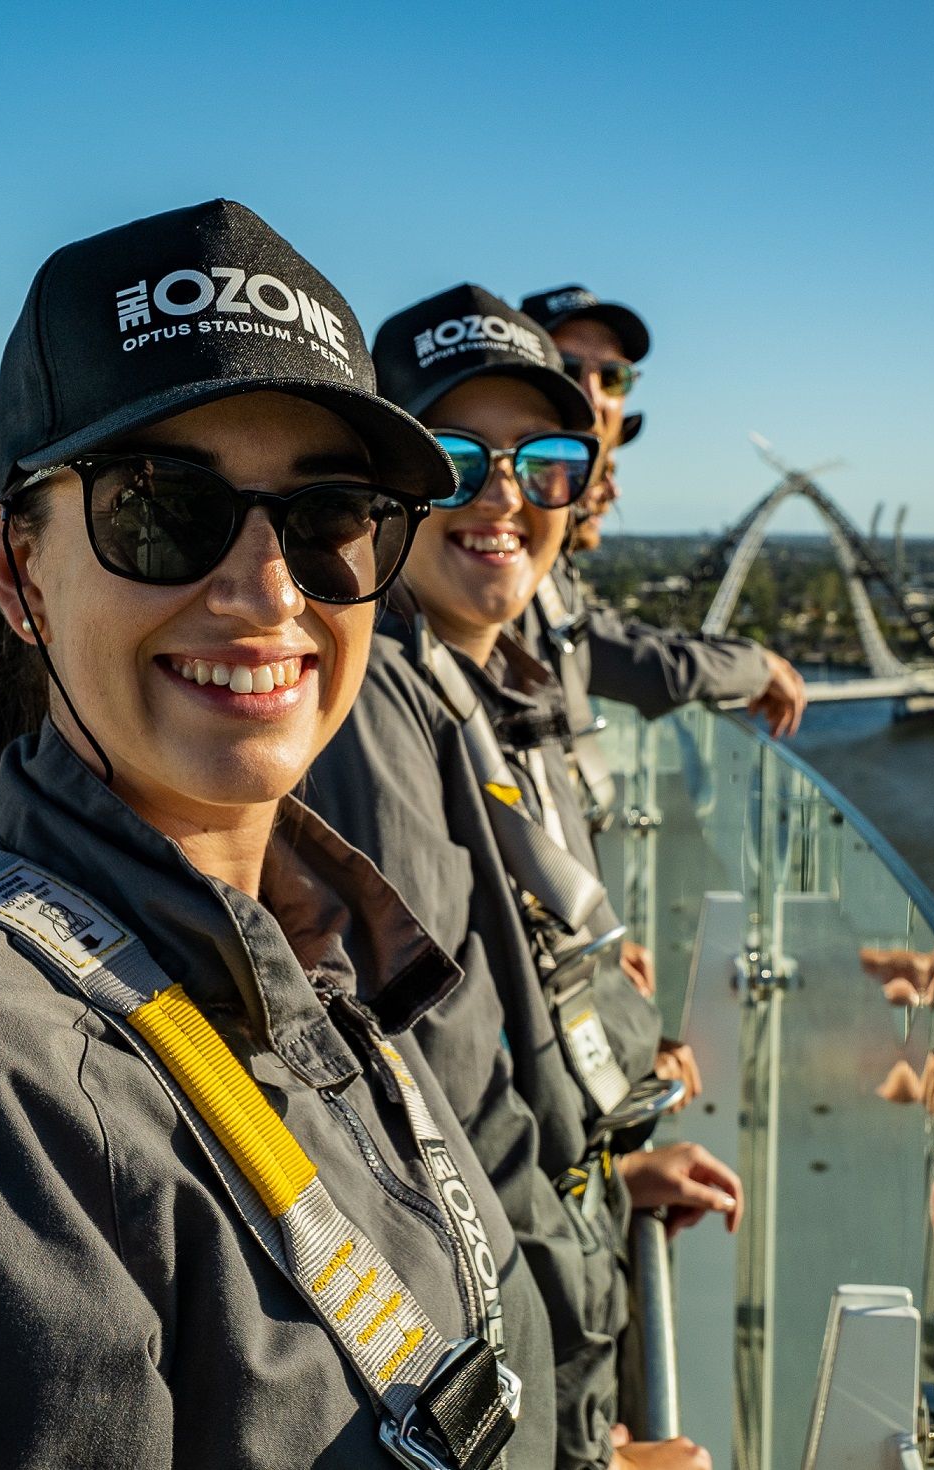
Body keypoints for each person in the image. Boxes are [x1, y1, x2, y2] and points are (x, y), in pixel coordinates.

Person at [0, 201, 552, 1469]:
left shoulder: (311, 968)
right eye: (161, 508)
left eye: (329, 515)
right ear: (15, 568)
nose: (267, 591)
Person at [309, 283, 735, 1470]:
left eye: (541, 464)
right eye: (454, 461)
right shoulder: (378, 709)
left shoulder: (468, 679)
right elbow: (445, 1119)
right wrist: (581, 1459)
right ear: (383, 488)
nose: (504, 497)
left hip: (560, 1242)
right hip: (514, 1349)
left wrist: (610, 1171)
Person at [517, 285, 807, 740]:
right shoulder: (494, 539)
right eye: (566, 369)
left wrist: (750, 663)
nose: (592, 395)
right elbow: (614, 656)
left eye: (613, 378)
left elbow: (600, 639)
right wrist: (750, 666)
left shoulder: (541, 564)